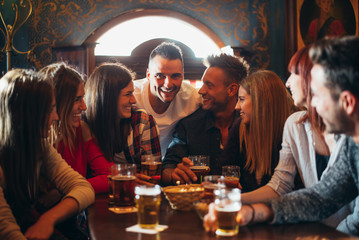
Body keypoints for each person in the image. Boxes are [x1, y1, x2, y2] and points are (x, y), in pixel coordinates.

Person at [203, 36, 359, 236]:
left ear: (347, 102)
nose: (314, 106)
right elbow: (323, 197)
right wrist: (252, 212)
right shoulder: (351, 142)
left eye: (317, 95)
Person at [238, 45, 352, 228]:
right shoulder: (295, 123)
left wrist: (338, 234)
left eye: (293, 74)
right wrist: (254, 211)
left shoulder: (350, 135)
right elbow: (321, 197)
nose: (287, 82)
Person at [0, 69, 95, 239]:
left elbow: (83, 187)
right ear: (29, 115)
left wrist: (48, 219)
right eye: (50, 109)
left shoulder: (39, 146)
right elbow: (7, 230)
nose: (56, 117)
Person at [162, 53, 249, 185]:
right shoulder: (189, 125)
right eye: (203, 84)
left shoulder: (251, 124)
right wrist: (174, 173)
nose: (201, 91)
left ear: (231, 90)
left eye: (209, 85)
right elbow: (168, 167)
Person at [40, 62, 113, 194]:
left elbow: (110, 177)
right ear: (58, 102)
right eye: (77, 99)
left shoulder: (81, 130)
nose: (84, 107)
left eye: (83, 98)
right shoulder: (37, 140)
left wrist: (66, 189)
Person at [84, 62, 161, 185]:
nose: (133, 100)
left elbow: (153, 177)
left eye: (133, 92)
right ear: (108, 97)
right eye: (128, 94)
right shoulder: (83, 125)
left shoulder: (141, 121)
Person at [220, 70, 294, 193]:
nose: (237, 107)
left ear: (261, 102)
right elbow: (223, 171)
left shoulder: (291, 130)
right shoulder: (240, 127)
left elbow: (287, 190)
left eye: (242, 99)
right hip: (245, 209)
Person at [133, 42, 202, 157]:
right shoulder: (131, 95)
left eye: (175, 76)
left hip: (172, 166)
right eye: (160, 76)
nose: (168, 84)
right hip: (135, 168)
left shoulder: (193, 97)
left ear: (183, 75)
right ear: (148, 75)